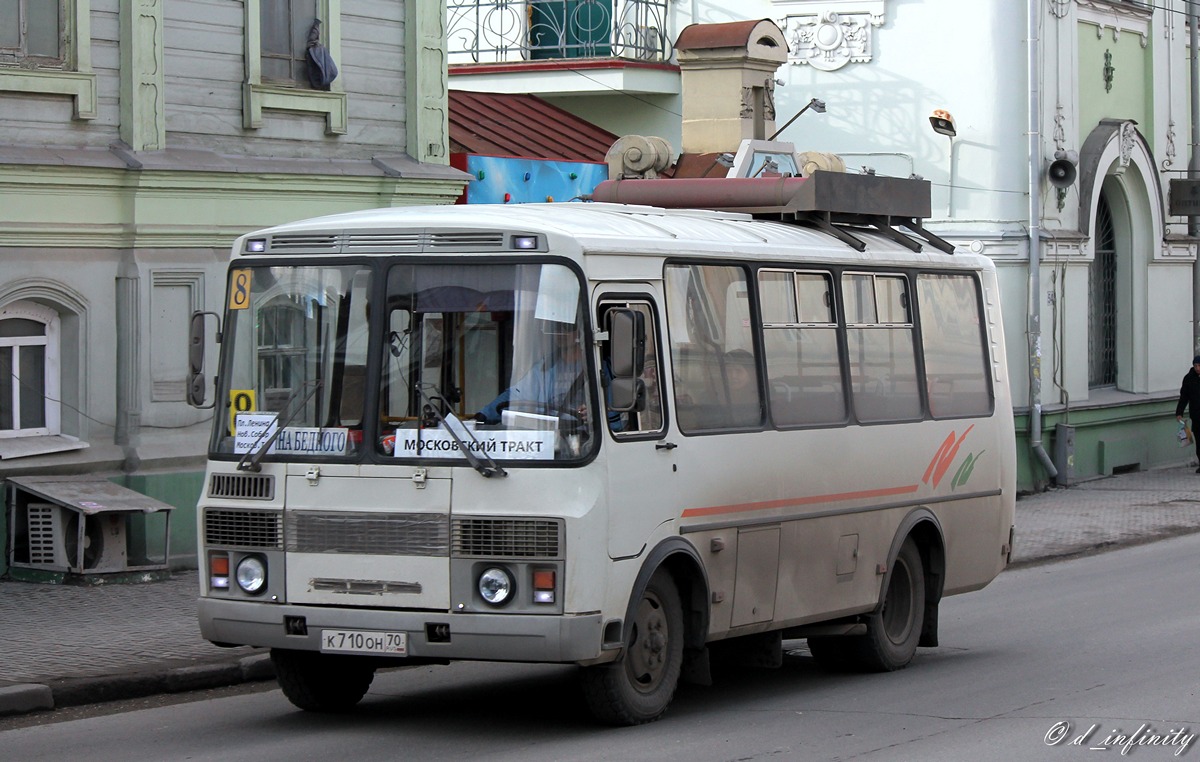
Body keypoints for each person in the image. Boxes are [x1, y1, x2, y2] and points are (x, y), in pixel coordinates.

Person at [476, 330, 588, 425]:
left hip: (587, 439)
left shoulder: (595, 367)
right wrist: (483, 416)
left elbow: (605, 407)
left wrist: (593, 412)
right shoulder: (545, 368)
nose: (560, 333)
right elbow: (515, 396)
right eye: (557, 328)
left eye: (567, 328)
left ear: (579, 331)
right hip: (549, 437)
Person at [1175, 355, 1200, 472]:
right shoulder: (1189, 379)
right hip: (1196, 416)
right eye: (1195, 366)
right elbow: (1184, 397)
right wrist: (1179, 412)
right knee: (1199, 441)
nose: (1197, 368)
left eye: (1199, 366)